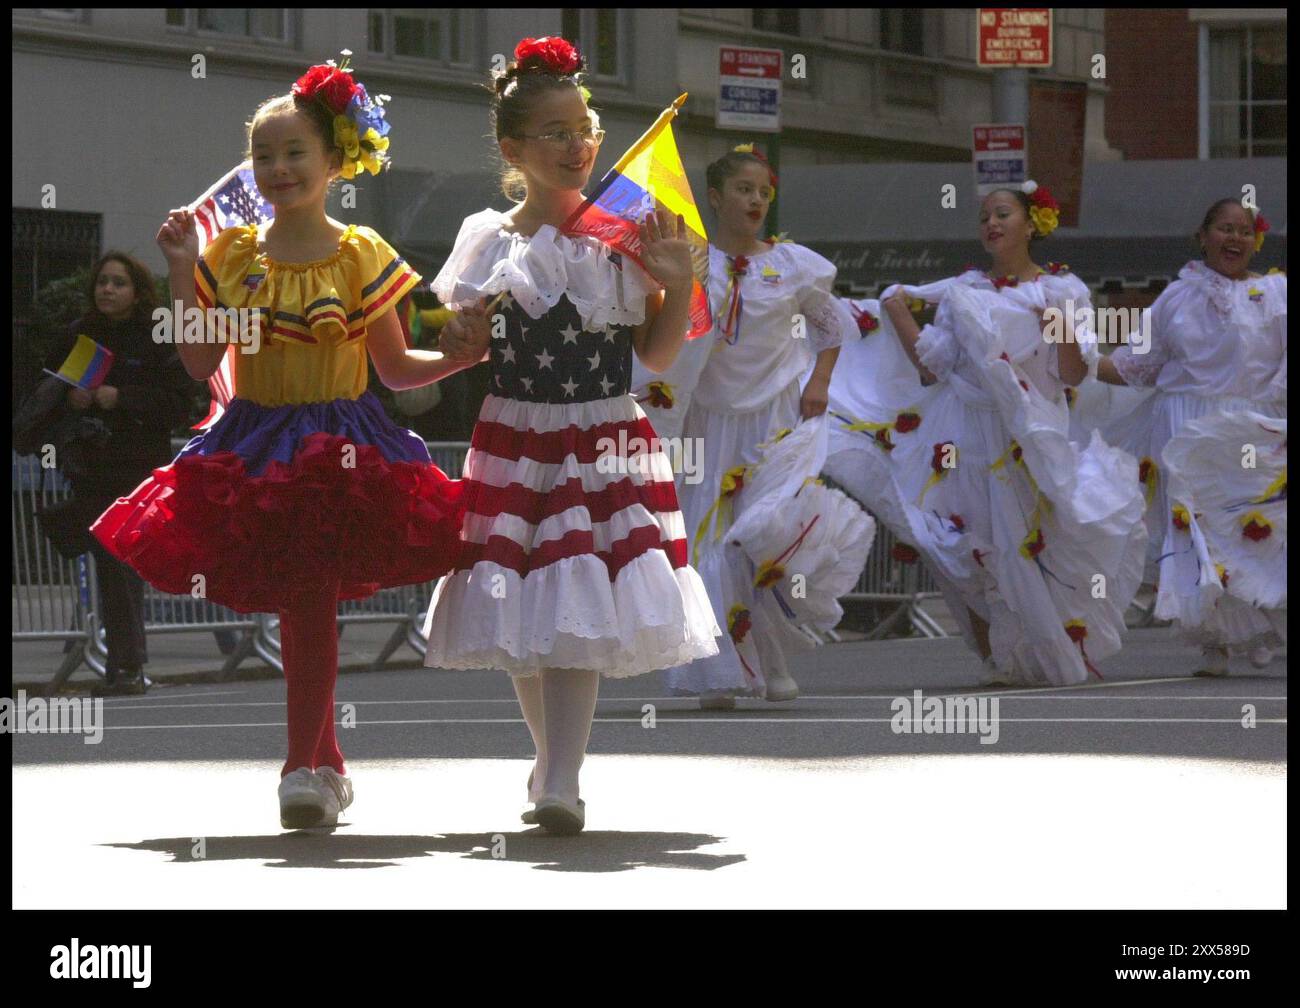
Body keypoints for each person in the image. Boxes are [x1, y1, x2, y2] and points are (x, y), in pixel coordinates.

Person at [91, 55, 490, 829]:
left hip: (342, 440)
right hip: (254, 441)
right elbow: (202, 360)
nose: (276, 167)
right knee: (304, 603)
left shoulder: (363, 253)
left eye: (293, 152)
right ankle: (320, 767)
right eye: (263, 155)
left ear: (335, 160)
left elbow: (397, 367)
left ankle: (305, 767)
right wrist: (180, 270)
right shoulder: (233, 255)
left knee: (311, 601)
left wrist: (464, 356)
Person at [420, 36, 720, 835]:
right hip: (516, 438)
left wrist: (677, 277)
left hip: (602, 438)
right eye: (555, 133)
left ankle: (562, 774)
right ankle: (551, 760)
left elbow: (653, 358)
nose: (577, 145)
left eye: (584, 128)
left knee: (577, 591)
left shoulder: (620, 242)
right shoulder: (488, 239)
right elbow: (465, 352)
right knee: (522, 603)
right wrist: (460, 337)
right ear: (514, 149)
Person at [822, 182, 1148, 687]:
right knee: (965, 545)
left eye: (1002, 214)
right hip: (962, 432)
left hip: (1029, 434)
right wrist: (899, 313)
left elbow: (1073, 373)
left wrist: (1058, 326)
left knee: (1036, 543)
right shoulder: (964, 292)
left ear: (1030, 224)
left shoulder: (1063, 291)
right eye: (983, 218)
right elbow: (935, 367)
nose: (991, 224)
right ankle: (999, 655)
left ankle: (1049, 645)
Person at [653, 146, 858, 708]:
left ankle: (773, 660)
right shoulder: (694, 261)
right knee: (705, 541)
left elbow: (830, 328)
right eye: (744, 190)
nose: (756, 200)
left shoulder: (794, 265)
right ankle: (714, 671)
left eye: (764, 192)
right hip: (706, 419)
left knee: (763, 538)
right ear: (716, 198)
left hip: (774, 417)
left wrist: (819, 383)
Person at [1095, 198, 1286, 675]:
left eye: (1244, 231)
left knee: (1257, 531)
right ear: (1204, 236)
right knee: (1200, 534)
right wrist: (1072, 357)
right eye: (1224, 229)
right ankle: (1216, 641)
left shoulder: (1276, 292)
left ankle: (1264, 624)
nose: (1235, 239)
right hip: (1184, 424)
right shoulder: (1175, 297)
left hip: (1250, 426)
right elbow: (1139, 365)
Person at [39, 253, 194, 696]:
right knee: (109, 562)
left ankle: (126, 667)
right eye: (102, 282)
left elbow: (177, 404)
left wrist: (119, 397)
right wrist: (70, 401)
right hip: (88, 466)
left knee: (118, 563)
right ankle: (124, 667)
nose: (107, 290)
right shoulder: (78, 335)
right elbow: (48, 387)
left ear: (136, 291)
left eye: (118, 283)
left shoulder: (156, 338)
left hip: (135, 472)